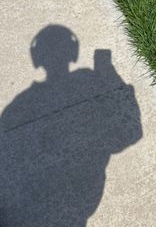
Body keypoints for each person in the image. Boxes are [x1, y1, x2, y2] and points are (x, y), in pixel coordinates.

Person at [0, 25, 142, 227]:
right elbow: (132, 133)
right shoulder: (87, 79)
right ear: (74, 53)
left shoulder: (17, 107)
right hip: (84, 200)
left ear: (35, 57)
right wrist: (108, 73)